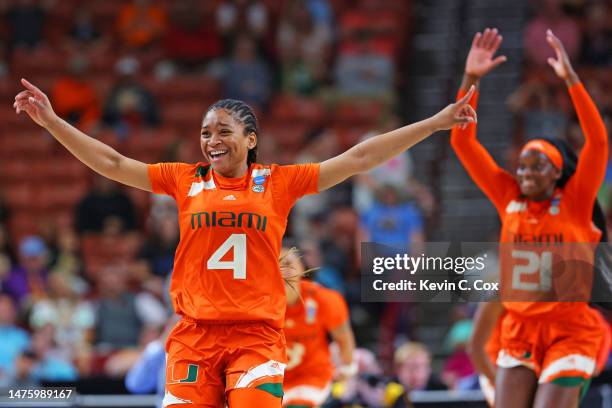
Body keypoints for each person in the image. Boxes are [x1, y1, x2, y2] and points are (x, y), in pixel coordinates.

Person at [13, 74, 475, 407]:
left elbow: (359, 157)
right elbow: (112, 164)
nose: (211, 141)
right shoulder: (184, 179)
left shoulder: (278, 182)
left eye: (223, 131)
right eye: (205, 133)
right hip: (194, 334)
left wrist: (432, 124)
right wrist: (53, 122)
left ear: (250, 139)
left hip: (255, 335)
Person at [451, 28, 608, 407]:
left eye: (536, 166)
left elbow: (598, 142)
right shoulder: (508, 197)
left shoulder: (575, 201)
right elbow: (462, 141)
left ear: (556, 173)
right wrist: (471, 79)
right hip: (519, 330)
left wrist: (571, 81)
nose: (525, 173)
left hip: (569, 331)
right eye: (521, 166)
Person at [280, 246, 355, 407]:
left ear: (301, 267)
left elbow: (343, 337)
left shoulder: (325, 300)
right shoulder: (258, 303)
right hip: (271, 377)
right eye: (276, 263)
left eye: (287, 262)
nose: (282, 268)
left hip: (311, 377)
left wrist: (347, 368)